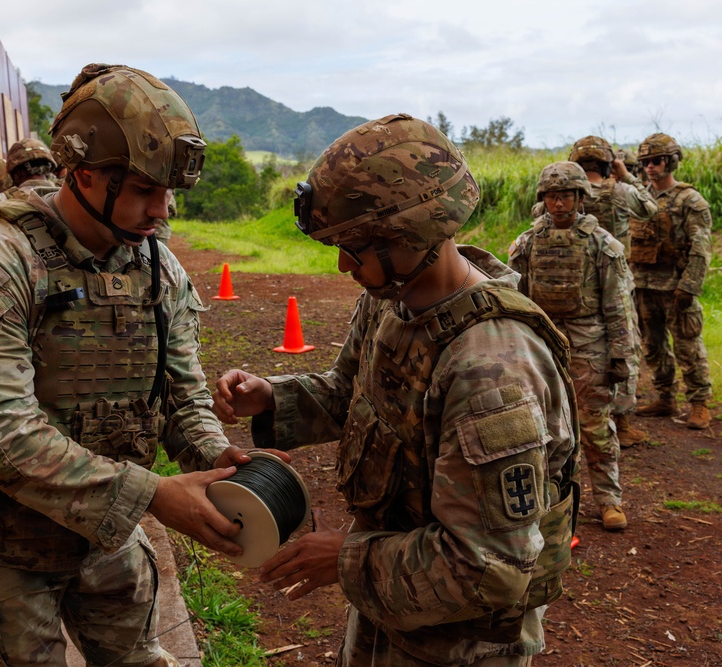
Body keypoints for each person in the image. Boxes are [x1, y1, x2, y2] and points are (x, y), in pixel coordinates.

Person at [0, 63, 286, 667]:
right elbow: (3, 439)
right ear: (83, 175)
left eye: (169, 193)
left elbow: (181, 397)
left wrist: (216, 457)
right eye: (144, 191)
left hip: (100, 526)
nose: (164, 212)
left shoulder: (156, 266)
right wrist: (154, 495)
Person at [214, 114, 580, 666]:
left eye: (354, 246)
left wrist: (346, 559)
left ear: (410, 234)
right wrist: (272, 395)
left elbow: (492, 566)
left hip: (463, 645)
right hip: (394, 607)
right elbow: (350, 393)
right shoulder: (393, 296)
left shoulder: (492, 370)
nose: (342, 265)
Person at [509, 161, 634, 532]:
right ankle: (551, 498)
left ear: (580, 197)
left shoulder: (602, 245)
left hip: (590, 345)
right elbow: (516, 299)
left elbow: (617, 306)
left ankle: (609, 499)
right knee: (540, 426)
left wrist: (621, 356)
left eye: (565, 196)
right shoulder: (528, 243)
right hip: (543, 345)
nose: (558, 204)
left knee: (595, 424)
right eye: (551, 196)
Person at [569, 136, 657, 448]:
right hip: (617, 283)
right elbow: (650, 208)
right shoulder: (619, 190)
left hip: (574, 286)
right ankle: (622, 421)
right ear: (608, 163)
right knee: (622, 346)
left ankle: (575, 418)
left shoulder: (566, 194)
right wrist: (626, 174)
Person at [631, 133, 713, 429]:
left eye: (657, 160)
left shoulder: (690, 200)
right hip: (643, 284)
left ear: (672, 161)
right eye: (645, 162)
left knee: (687, 346)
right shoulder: (640, 197)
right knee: (652, 345)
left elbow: (701, 248)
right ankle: (665, 397)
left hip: (676, 285)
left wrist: (689, 286)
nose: (650, 167)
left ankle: (699, 403)